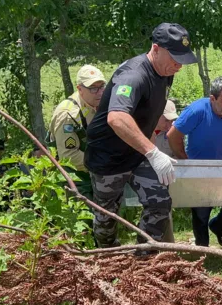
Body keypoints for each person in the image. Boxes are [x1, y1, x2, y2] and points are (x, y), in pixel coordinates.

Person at [85, 22, 198, 249]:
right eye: (175, 58)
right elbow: (116, 118)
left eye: (182, 59)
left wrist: (154, 135)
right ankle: (108, 257)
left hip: (138, 152)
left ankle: (143, 258)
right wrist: (153, 153)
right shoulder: (133, 75)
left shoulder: (166, 71)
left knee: (160, 202)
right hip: (108, 157)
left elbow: (151, 106)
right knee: (107, 217)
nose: (179, 65)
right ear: (155, 49)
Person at [167, 76, 222, 247]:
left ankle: (218, 226)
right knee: (201, 213)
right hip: (198, 169)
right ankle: (203, 250)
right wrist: (185, 161)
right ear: (212, 98)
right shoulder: (197, 111)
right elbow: (173, 135)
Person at [48, 65, 107, 201]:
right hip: (74, 177)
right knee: (86, 218)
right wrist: (102, 163)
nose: (99, 92)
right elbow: (68, 155)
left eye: (102, 86)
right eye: (93, 88)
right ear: (80, 89)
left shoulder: (99, 104)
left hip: (95, 172)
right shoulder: (68, 115)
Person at [150, 100, 180, 243]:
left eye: (172, 120)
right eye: (166, 120)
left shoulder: (173, 132)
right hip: (141, 177)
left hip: (164, 179)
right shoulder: (141, 129)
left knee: (165, 207)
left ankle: (168, 246)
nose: (170, 124)